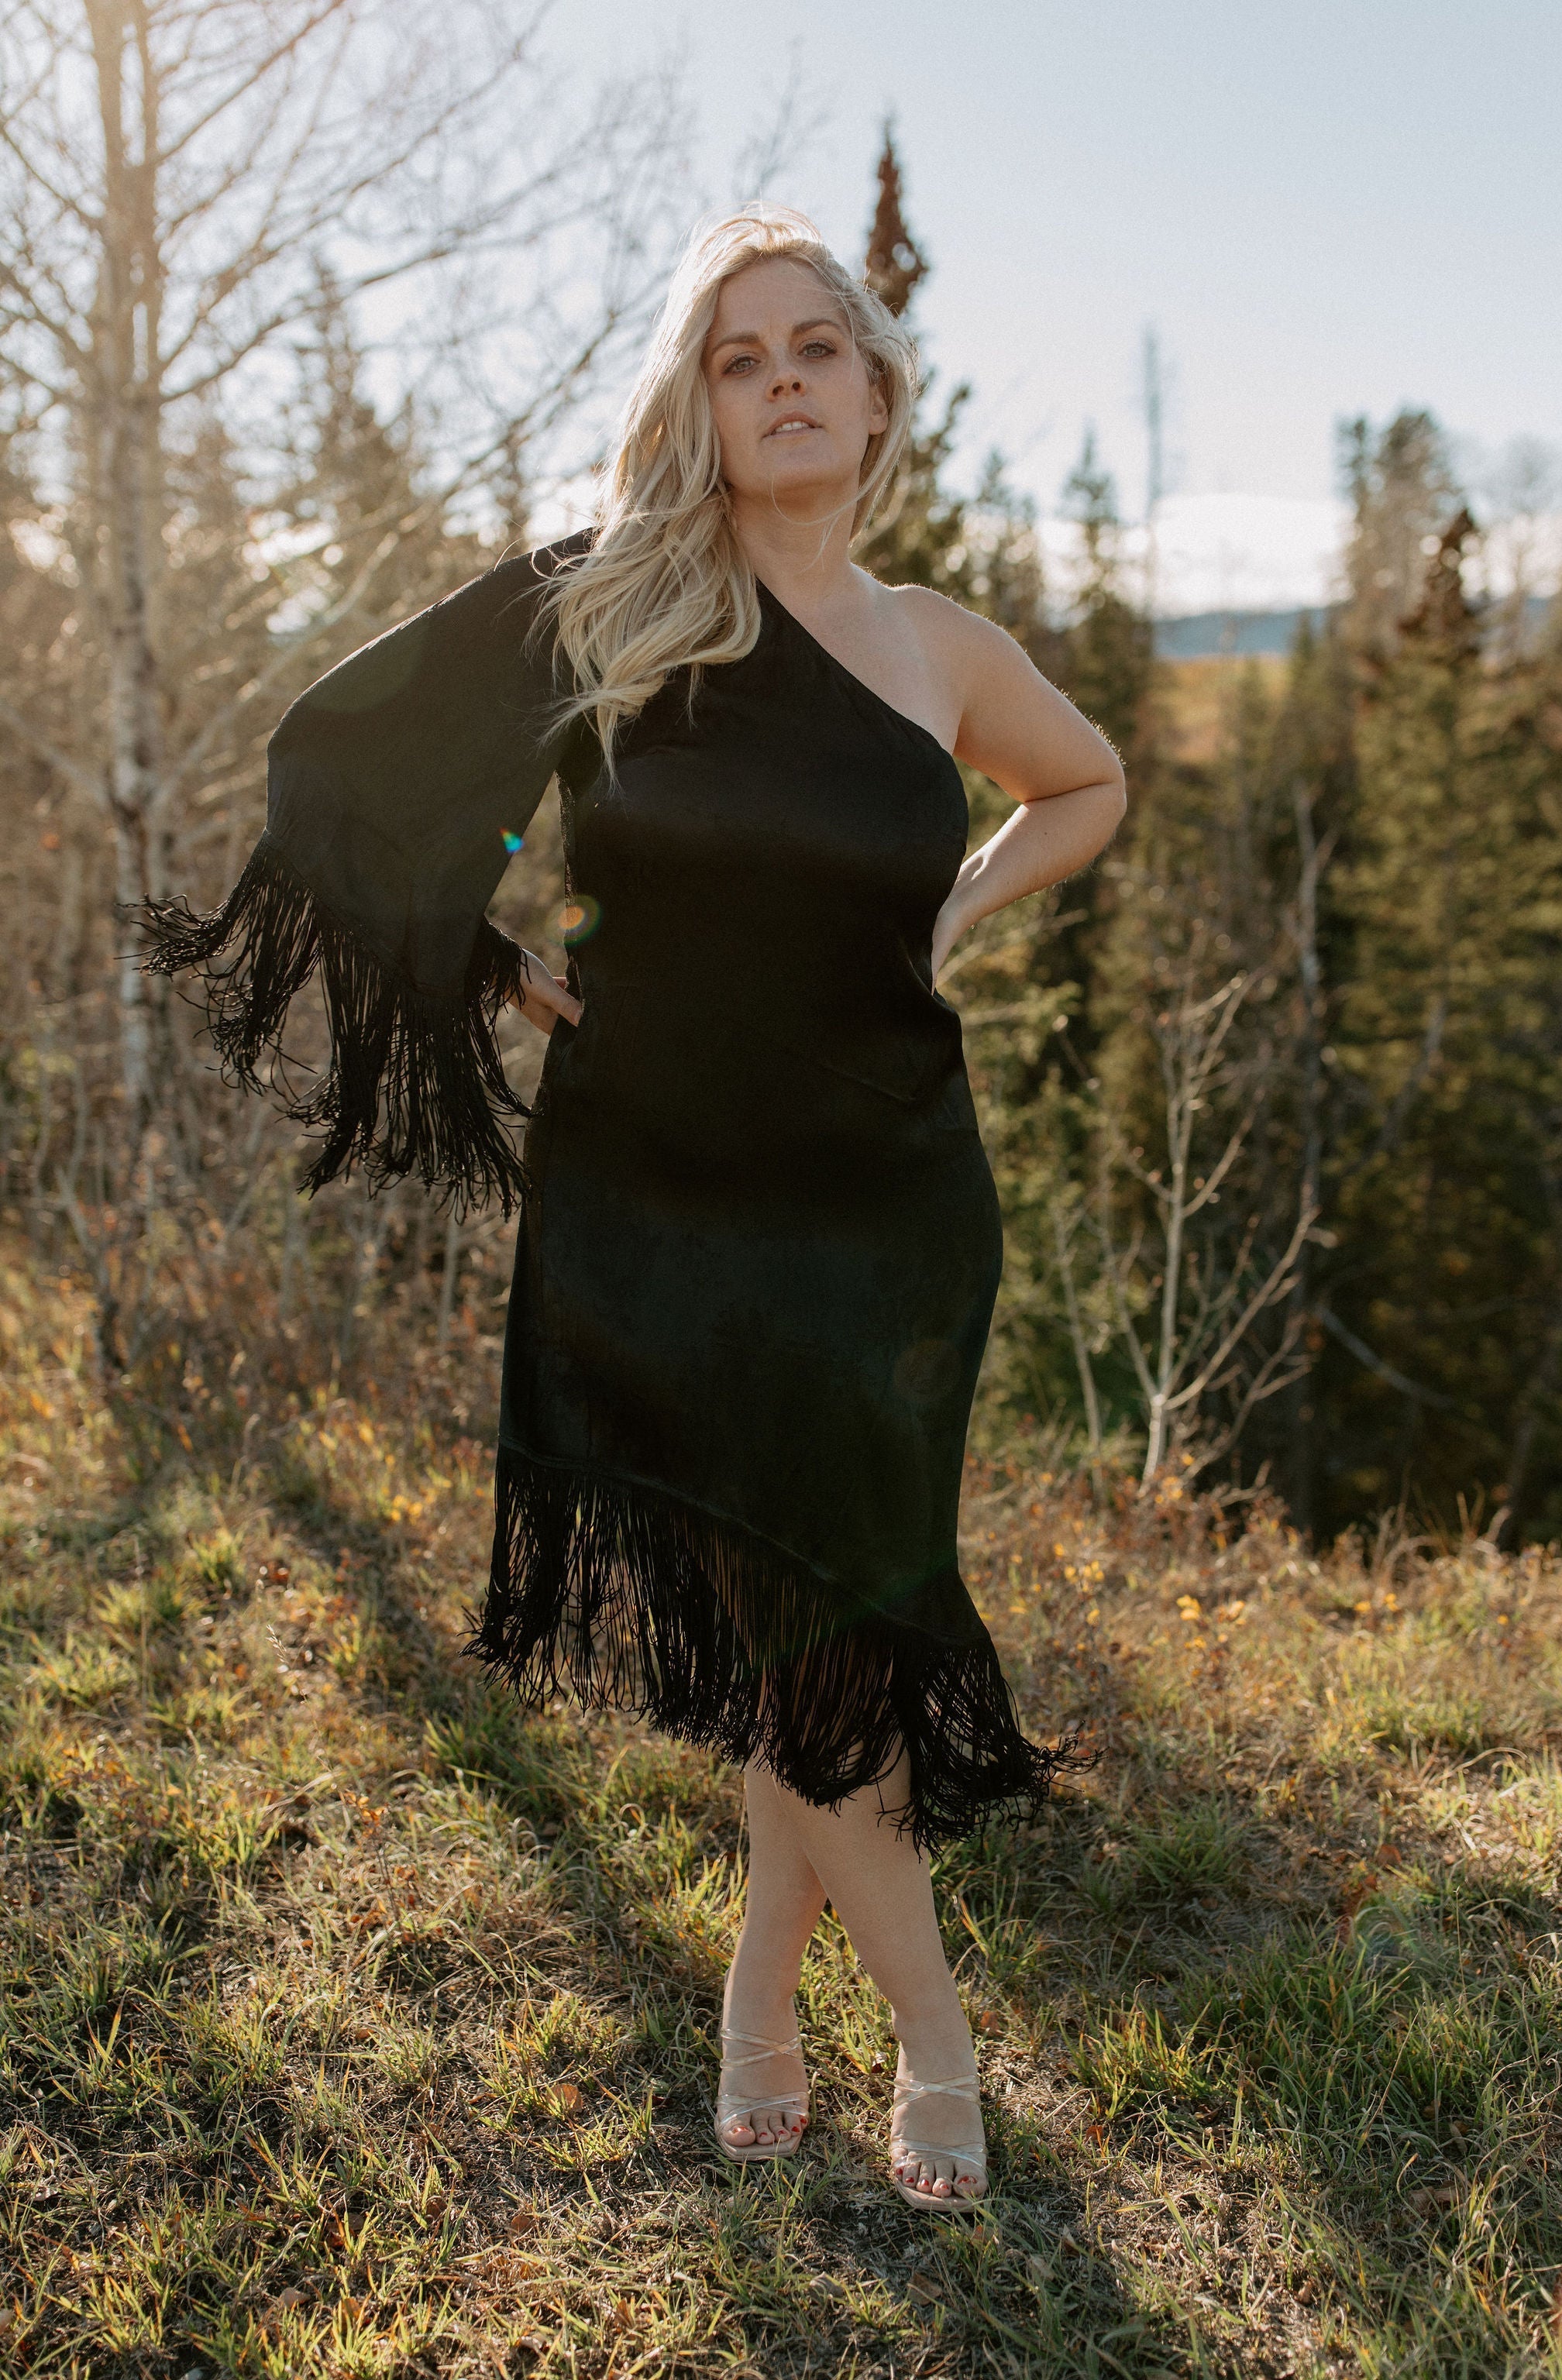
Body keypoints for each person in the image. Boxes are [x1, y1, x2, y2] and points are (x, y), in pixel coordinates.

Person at [144, 205, 1126, 2212]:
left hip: (889, 1202)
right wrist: (494, 969)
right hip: (659, 1202)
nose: (783, 382)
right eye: (739, 357)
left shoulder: (940, 646)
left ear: (876, 397)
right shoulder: (604, 607)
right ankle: (936, 2041)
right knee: (795, 1611)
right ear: (701, 405)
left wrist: (954, 909)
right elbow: (342, 771)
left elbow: (1089, 784)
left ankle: (761, 1993)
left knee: (830, 1603)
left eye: (815, 349)